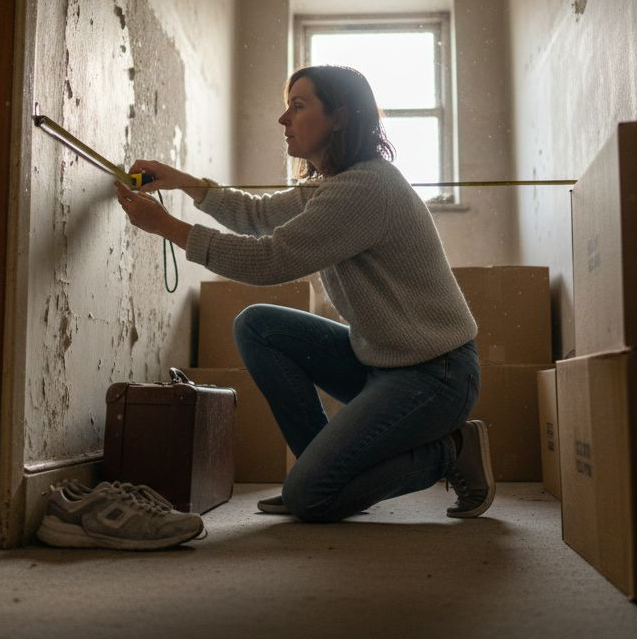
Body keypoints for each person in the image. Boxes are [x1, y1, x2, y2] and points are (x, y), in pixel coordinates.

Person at [114, 64, 492, 522]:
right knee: (258, 326)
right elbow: (255, 216)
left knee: (311, 498)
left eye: (298, 106)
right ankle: (322, 475)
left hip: (436, 376)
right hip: (382, 361)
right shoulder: (330, 185)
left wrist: (166, 227)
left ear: (339, 117)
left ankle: (449, 450)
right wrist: (181, 181)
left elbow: (270, 260)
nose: (283, 119)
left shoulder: (366, 188)